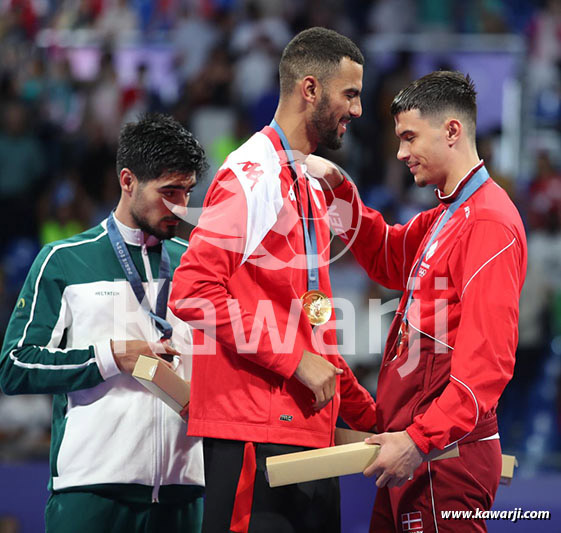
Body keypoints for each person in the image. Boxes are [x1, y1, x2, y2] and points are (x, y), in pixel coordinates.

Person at [168, 27, 377, 533]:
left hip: (307, 439)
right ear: (310, 89)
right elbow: (192, 290)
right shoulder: (251, 177)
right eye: (349, 94)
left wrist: (374, 418)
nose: (358, 110)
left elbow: (313, 329)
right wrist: (292, 359)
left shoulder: (304, 183)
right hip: (254, 439)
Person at [312, 71, 527, 532]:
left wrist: (420, 441)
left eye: (409, 137)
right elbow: (388, 256)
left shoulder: (487, 222)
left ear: (451, 131)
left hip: (441, 458)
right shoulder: (448, 214)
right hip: (418, 451)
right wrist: (336, 189)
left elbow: (487, 364)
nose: (401, 153)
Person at [0, 113, 208, 533]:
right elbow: (14, 366)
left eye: (187, 192)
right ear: (127, 180)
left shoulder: (199, 263)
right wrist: (114, 356)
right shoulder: (63, 261)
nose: (180, 208)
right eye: (168, 192)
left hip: (184, 494)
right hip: (91, 495)